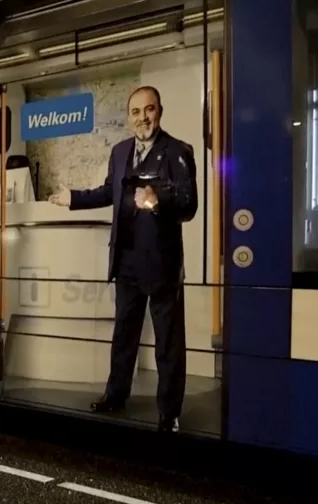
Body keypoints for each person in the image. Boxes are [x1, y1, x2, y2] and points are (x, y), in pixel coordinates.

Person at [48, 86, 197, 433]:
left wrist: (157, 199)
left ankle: (169, 412)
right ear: (128, 116)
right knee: (124, 335)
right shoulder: (119, 152)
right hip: (126, 261)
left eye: (149, 110)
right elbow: (107, 192)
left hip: (161, 264)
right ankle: (116, 395)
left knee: (168, 344)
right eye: (136, 111)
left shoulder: (177, 151)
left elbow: (189, 205)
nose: (143, 117)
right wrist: (72, 198)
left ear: (160, 110)